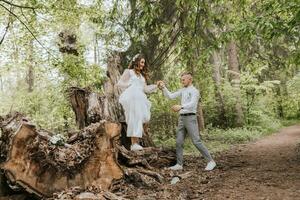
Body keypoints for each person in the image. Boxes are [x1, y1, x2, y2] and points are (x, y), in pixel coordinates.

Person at [157, 72, 216, 171]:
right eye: (181, 80)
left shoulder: (194, 91)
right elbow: (171, 96)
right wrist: (163, 88)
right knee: (179, 142)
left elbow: (193, 104)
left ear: (190, 79)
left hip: (190, 118)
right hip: (181, 118)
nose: (182, 81)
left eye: (183, 79)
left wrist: (181, 106)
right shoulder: (182, 90)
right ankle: (179, 164)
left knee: (196, 141)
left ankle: (211, 161)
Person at [117, 54, 159, 151]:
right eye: (142, 62)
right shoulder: (129, 72)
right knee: (134, 117)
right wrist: (129, 84)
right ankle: (134, 143)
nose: (143, 65)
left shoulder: (142, 77)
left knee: (144, 118)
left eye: (144, 63)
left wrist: (156, 86)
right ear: (136, 62)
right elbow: (119, 83)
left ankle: (137, 141)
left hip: (140, 98)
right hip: (131, 96)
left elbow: (145, 89)